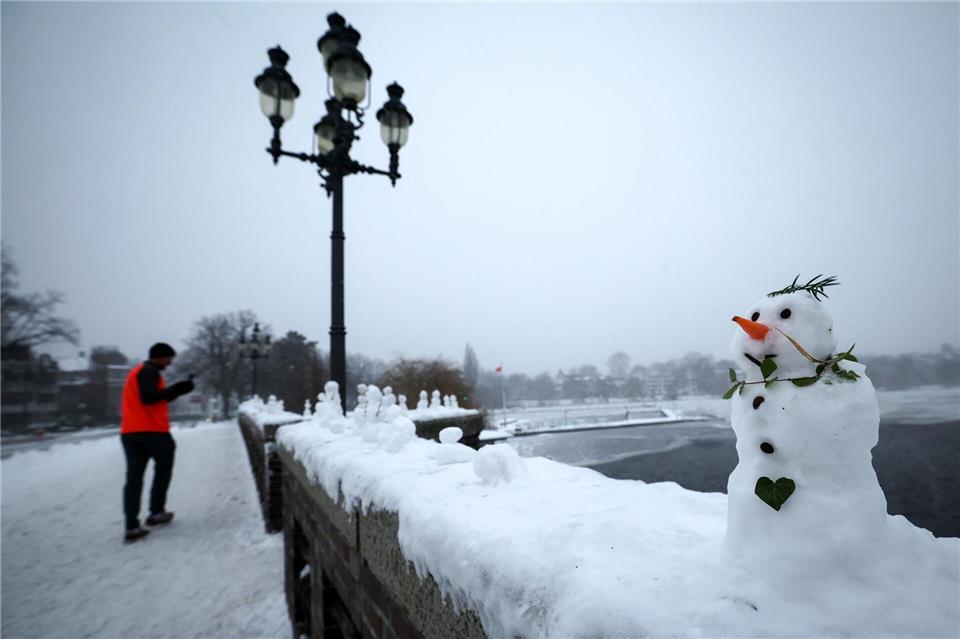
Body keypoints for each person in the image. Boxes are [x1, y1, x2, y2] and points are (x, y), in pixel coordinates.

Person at [120, 342, 194, 543]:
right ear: (161, 357)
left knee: (134, 479)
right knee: (163, 470)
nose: (169, 363)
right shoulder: (149, 371)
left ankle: (132, 526)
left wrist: (178, 390)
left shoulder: (137, 372)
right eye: (169, 358)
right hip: (153, 432)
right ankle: (156, 512)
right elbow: (149, 399)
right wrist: (177, 389)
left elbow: (151, 400)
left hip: (130, 432)